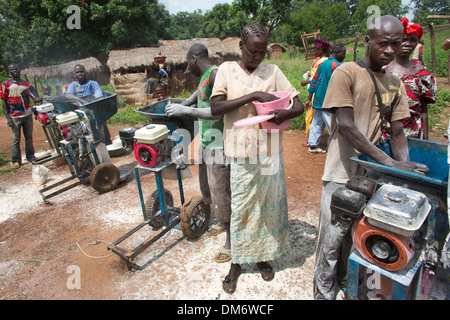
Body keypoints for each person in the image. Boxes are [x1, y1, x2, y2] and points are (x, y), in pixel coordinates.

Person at [314, 15, 429, 300]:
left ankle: (347, 284)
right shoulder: (348, 73)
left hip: (370, 177)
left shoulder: (394, 83)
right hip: (341, 172)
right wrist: (389, 162)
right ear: (368, 42)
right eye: (383, 44)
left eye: (396, 43)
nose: (390, 50)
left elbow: (399, 131)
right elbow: (346, 126)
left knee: (360, 238)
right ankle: (322, 293)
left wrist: (404, 174)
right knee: (331, 241)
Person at [210, 23, 304, 294]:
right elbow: (216, 108)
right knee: (242, 208)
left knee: (267, 208)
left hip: (270, 152)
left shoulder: (273, 72)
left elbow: (297, 104)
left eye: (262, 52)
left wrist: (284, 114)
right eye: (253, 51)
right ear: (241, 47)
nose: (258, 57)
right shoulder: (226, 70)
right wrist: (253, 96)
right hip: (240, 153)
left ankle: (262, 256)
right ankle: (237, 263)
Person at [165, 43, 232, 264]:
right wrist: (182, 103)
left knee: (222, 191)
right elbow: (198, 94)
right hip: (206, 142)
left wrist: (185, 110)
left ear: (194, 58)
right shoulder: (205, 77)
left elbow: (219, 111)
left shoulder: (215, 75)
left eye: (187, 63)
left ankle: (231, 241)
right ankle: (222, 224)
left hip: (219, 144)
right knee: (208, 187)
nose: (187, 68)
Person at [385, 18, 436, 140]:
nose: (408, 43)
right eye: (404, 39)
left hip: (412, 133)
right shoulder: (383, 69)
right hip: (385, 132)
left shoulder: (421, 73)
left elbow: (423, 110)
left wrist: (425, 142)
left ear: (417, 43)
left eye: (413, 40)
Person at [306, 44, 346, 154]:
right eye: (343, 54)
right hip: (328, 101)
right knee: (332, 124)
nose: (344, 56)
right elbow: (340, 85)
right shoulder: (337, 66)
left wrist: (309, 99)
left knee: (317, 123)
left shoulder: (322, 64)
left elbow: (313, 82)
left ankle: (313, 145)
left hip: (318, 100)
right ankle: (337, 148)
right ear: (336, 53)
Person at [1, 63, 42, 169]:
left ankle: (30, 156)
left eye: (16, 68)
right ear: (9, 71)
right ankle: (16, 160)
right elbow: (4, 102)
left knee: (28, 137)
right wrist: (8, 117)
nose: (15, 70)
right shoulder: (5, 84)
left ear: (20, 70)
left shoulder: (27, 85)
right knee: (16, 139)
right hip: (14, 117)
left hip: (27, 115)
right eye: (12, 69)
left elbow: (35, 98)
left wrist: (43, 98)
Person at [64, 64, 112, 145]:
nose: (80, 73)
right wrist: (81, 100)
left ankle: (104, 145)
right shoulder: (73, 85)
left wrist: (93, 104)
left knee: (99, 128)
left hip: (93, 112)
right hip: (80, 113)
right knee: (79, 133)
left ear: (86, 73)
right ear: (74, 75)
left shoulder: (93, 84)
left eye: (82, 71)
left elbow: (99, 97)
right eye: (77, 72)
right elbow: (68, 95)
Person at [301, 38, 331, 147]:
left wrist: (307, 82)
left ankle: (314, 142)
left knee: (319, 118)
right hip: (320, 94)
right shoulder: (325, 61)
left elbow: (318, 79)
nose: (314, 52)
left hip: (319, 94)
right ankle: (313, 142)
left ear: (320, 50)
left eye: (316, 49)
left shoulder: (323, 62)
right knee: (318, 119)